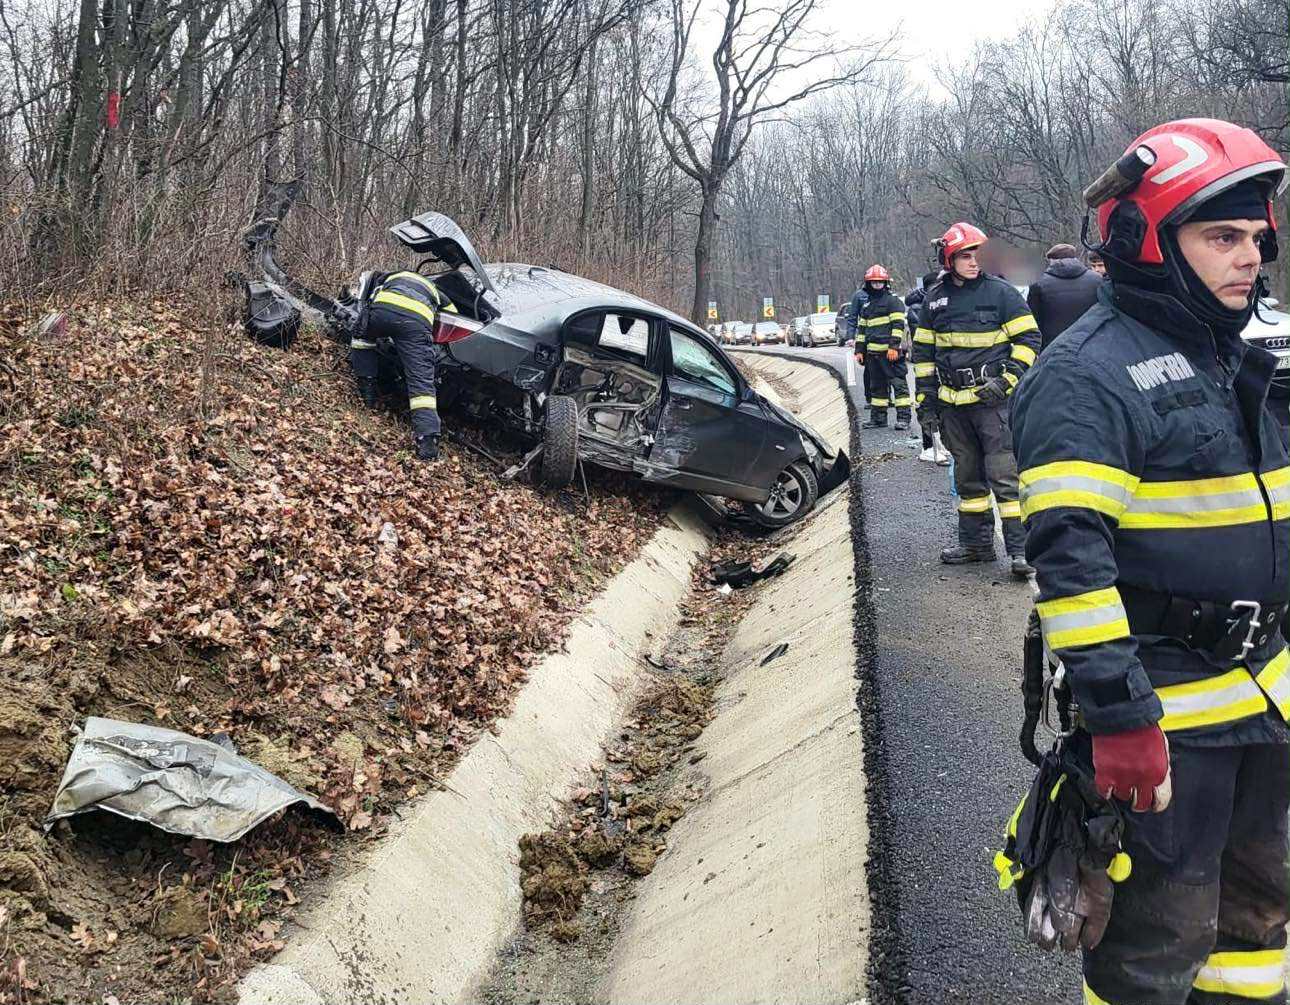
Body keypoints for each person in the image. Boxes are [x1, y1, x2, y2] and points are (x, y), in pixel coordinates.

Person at [1011, 118, 1290, 1005]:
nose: (1250, 258)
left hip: (1264, 704)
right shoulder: (1085, 375)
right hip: (1168, 725)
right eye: (1222, 237)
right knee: (1152, 951)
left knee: (1256, 929)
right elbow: (1071, 563)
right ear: (1144, 240)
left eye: (1258, 239)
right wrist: (1122, 719)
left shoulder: (1229, 357)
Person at [913, 223, 1041, 578]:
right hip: (953, 406)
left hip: (993, 405)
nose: (973, 262)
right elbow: (923, 356)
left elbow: (1030, 340)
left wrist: (1007, 381)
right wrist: (926, 403)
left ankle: (1021, 551)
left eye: (977, 255)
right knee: (968, 479)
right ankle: (976, 545)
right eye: (965, 256)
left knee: (1005, 477)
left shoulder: (1001, 293)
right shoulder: (934, 300)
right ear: (948, 260)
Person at [349, 269, 452, 461]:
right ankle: (427, 443)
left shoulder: (394, 275)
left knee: (361, 338)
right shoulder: (438, 292)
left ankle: (366, 389)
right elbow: (451, 317)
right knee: (421, 383)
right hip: (415, 324)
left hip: (383, 311)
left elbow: (371, 295)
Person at [906, 271, 952, 464]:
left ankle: (941, 444)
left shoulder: (946, 302)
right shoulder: (920, 308)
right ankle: (928, 447)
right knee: (927, 404)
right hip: (928, 365)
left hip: (945, 364)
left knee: (945, 406)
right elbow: (924, 341)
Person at [857, 265, 910, 429]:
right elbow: (862, 331)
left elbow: (898, 325)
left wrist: (893, 347)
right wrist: (859, 351)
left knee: (899, 386)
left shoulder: (893, 302)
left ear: (886, 283)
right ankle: (879, 419)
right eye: (874, 282)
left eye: (880, 282)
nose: (877, 285)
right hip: (873, 355)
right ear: (868, 284)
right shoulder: (867, 306)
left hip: (890, 354)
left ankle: (904, 419)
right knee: (877, 388)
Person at [1027, 242, 1104, 351]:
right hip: (1090, 344)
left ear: (1052, 261)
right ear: (1075, 258)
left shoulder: (1038, 283)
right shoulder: (1097, 280)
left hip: (1053, 348)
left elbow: (1034, 321)